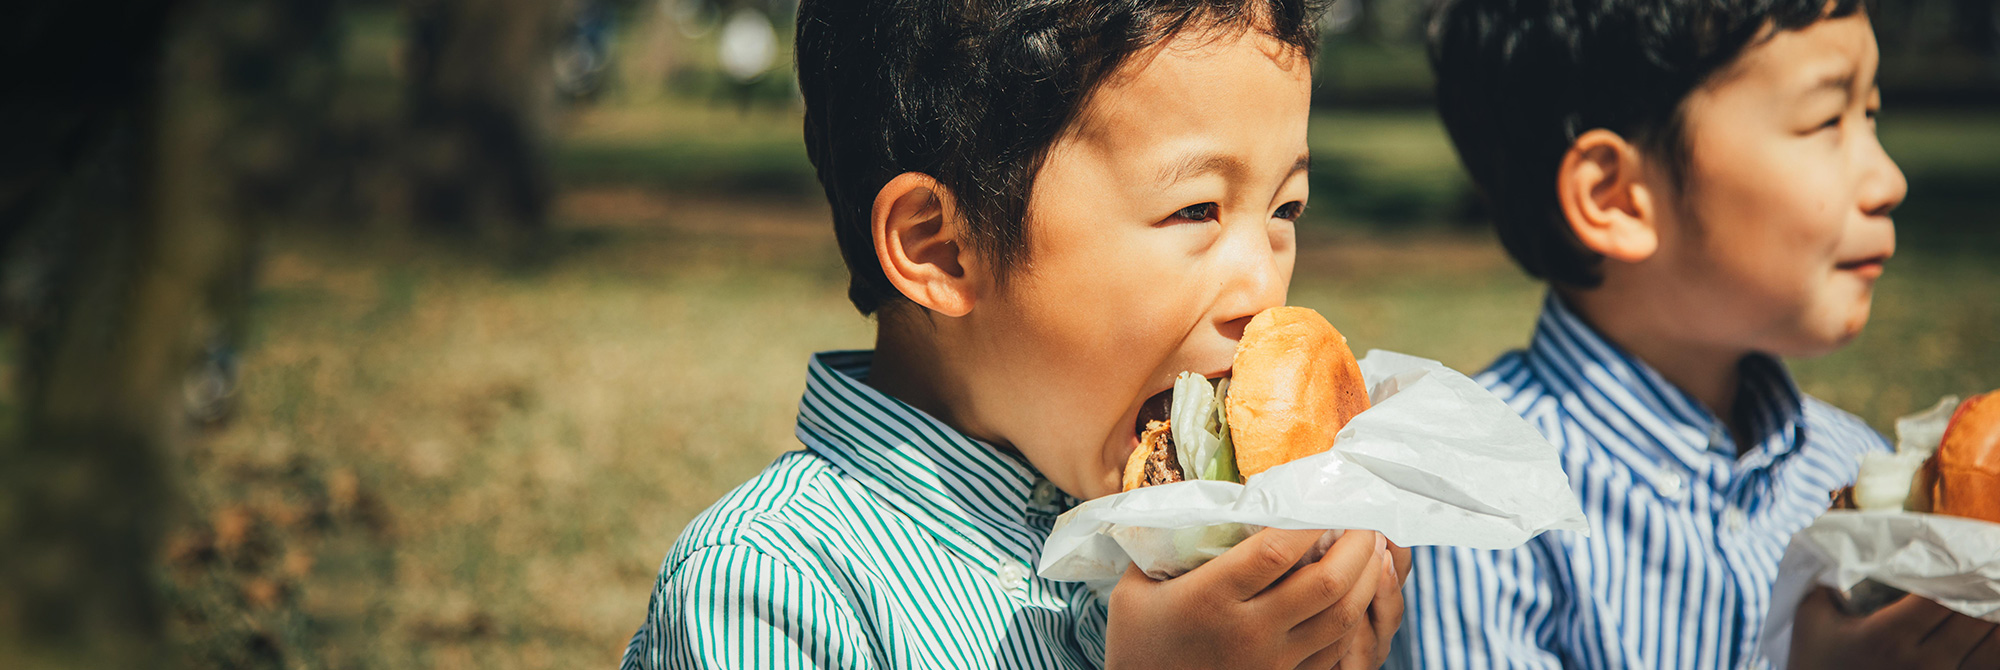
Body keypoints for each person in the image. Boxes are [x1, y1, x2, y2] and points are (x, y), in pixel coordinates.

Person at [621, 1, 1412, 668]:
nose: (1265, 294)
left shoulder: (1202, 550)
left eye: (1285, 210)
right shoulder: (769, 587)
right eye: (1196, 210)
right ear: (942, 247)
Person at [1395, 0, 2000, 668]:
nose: (1889, 179)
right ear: (1616, 199)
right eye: (1827, 119)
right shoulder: (1470, 501)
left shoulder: (1849, 465)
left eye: (1871, 114)